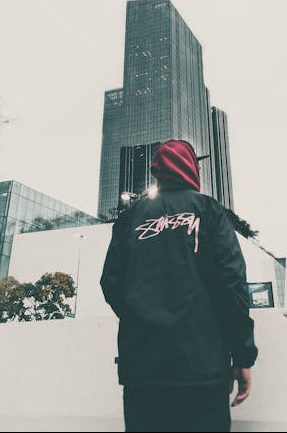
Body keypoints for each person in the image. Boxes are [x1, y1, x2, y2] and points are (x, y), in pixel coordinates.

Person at [101, 139, 258, 433]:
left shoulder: (130, 217)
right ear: (192, 169)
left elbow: (110, 282)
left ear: (157, 172)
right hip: (203, 369)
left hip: (144, 372)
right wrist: (243, 355)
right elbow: (232, 284)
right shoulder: (209, 211)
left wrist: (141, 315)